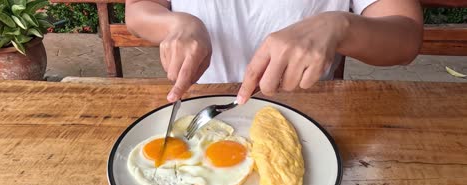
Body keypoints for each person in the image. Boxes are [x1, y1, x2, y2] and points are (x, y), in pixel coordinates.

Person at [125, 0, 423, 104]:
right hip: (198, 108)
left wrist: (341, 26)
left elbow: (406, 37)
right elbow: (139, 8)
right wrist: (177, 23)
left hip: (310, 118)